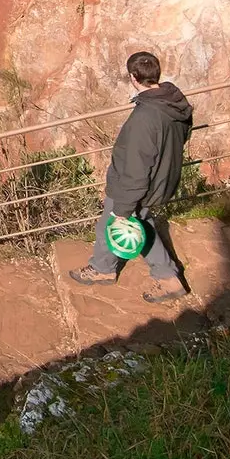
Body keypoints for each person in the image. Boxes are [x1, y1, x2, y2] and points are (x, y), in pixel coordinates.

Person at [68, 52, 192, 304]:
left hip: (139, 186)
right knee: (140, 224)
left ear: (133, 78)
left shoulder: (144, 119)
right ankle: (111, 268)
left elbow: (136, 168)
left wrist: (123, 208)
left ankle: (112, 271)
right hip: (163, 176)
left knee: (117, 225)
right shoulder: (172, 102)